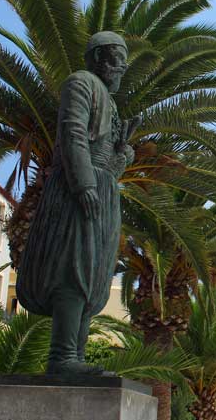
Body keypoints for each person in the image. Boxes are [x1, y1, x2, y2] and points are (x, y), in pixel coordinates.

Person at [17, 31, 138, 375]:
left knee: (93, 273)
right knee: (74, 268)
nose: (122, 68)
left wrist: (122, 154)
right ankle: (62, 357)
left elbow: (107, 161)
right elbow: (73, 134)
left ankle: (75, 357)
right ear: (98, 58)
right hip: (79, 188)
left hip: (103, 188)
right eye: (117, 60)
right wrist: (84, 184)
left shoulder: (110, 102)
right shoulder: (81, 83)